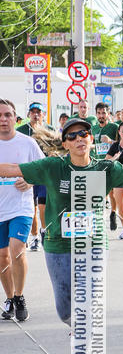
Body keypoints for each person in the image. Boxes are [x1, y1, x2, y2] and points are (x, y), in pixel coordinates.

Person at [0, 116, 123, 354]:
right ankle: (80, 331)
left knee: (86, 304)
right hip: (59, 245)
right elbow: (12, 168)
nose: (78, 139)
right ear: (65, 144)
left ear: (91, 138)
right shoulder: (52, 166)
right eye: (71, 136)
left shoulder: (105, 169)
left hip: (94, 245)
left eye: (83, 133)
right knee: (64, 310)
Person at [0, 99, 45, 321]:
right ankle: (9, 299)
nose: (3, 119)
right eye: (0, 115)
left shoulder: (28, 143)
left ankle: (19, 296)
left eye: (7, 115)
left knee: (17, 249)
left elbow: (43, 170)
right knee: (2, 257)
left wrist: (30, 182)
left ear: (15, 118)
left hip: (21, 207)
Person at [17, 102, 51, 252]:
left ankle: (44, 232)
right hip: (28, 173)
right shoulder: (22, 130)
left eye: (39, 112)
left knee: (43, 206)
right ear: (28, 114)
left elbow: (58, 149)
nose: (36, 115)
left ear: (44, 114)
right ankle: (34, 237)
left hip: (44, 174)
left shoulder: (49, 130)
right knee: (31, 207)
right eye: (33, 112)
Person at [91, 103, 120, 229]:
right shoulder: (94, 128)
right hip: (98, 163)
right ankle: (97, 221)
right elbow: (92, 144)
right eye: (99, 113)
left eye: (104, 113)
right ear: (96, 114)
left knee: (112, 193)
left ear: (108, 114)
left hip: (112, 163)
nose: (101, 116)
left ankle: (113, 213)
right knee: (98, 193)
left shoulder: (115, 127)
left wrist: (110, 141)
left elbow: (122, 144)